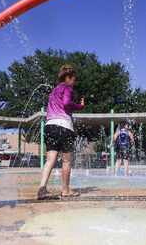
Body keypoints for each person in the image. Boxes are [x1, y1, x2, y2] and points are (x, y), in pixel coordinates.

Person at [37, 64, 85, 200]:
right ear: (68, 78)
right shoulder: (67, 88)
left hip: (50, 125)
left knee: (50, 160)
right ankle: (65, 190)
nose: (74, 83)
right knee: (66, 161)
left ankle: (42, 188)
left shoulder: (53, 91)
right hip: (64, 126)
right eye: (74, 80)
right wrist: (80, 106)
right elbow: (66, 104)